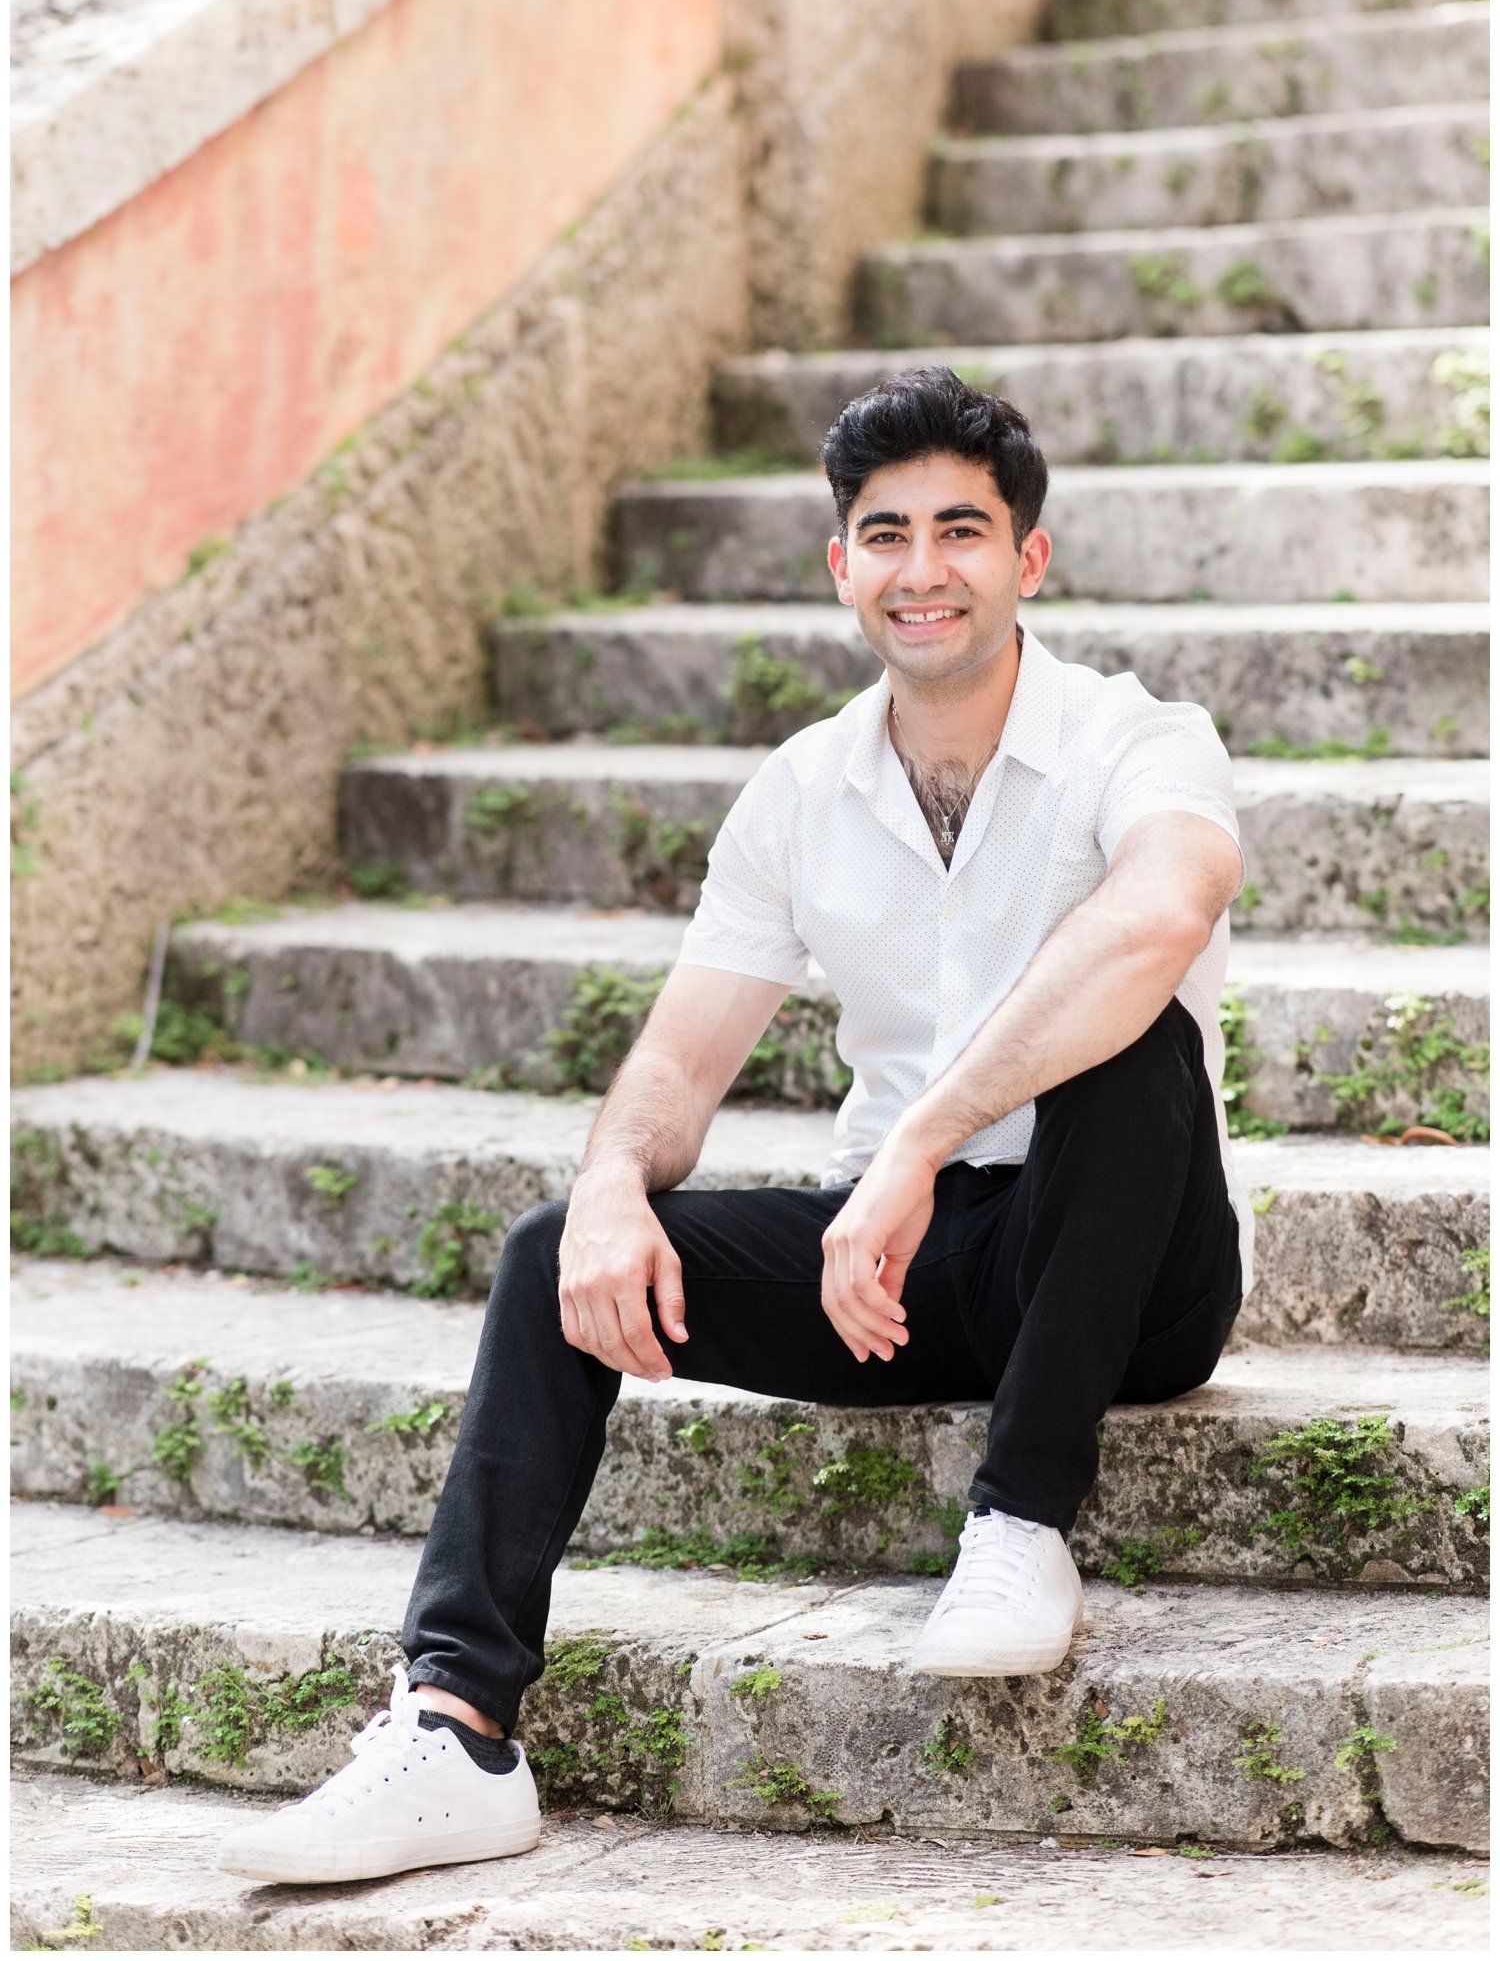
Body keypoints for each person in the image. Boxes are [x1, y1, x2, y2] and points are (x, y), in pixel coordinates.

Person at [217, 365, 1249, 1885]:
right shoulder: (798, 792)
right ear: (842, 567)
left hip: (1130, 1256)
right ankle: (456, 1728)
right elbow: (680, 1057)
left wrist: (915, 1139)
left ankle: (1024, 1518)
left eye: (961, 531)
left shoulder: (1138, 738)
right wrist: (615, 1182)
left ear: (1029, 559)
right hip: (905, 1274)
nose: (922, 569)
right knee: (546, 1254)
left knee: (1128, 1039)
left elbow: (1166, 907)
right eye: (884, 534)